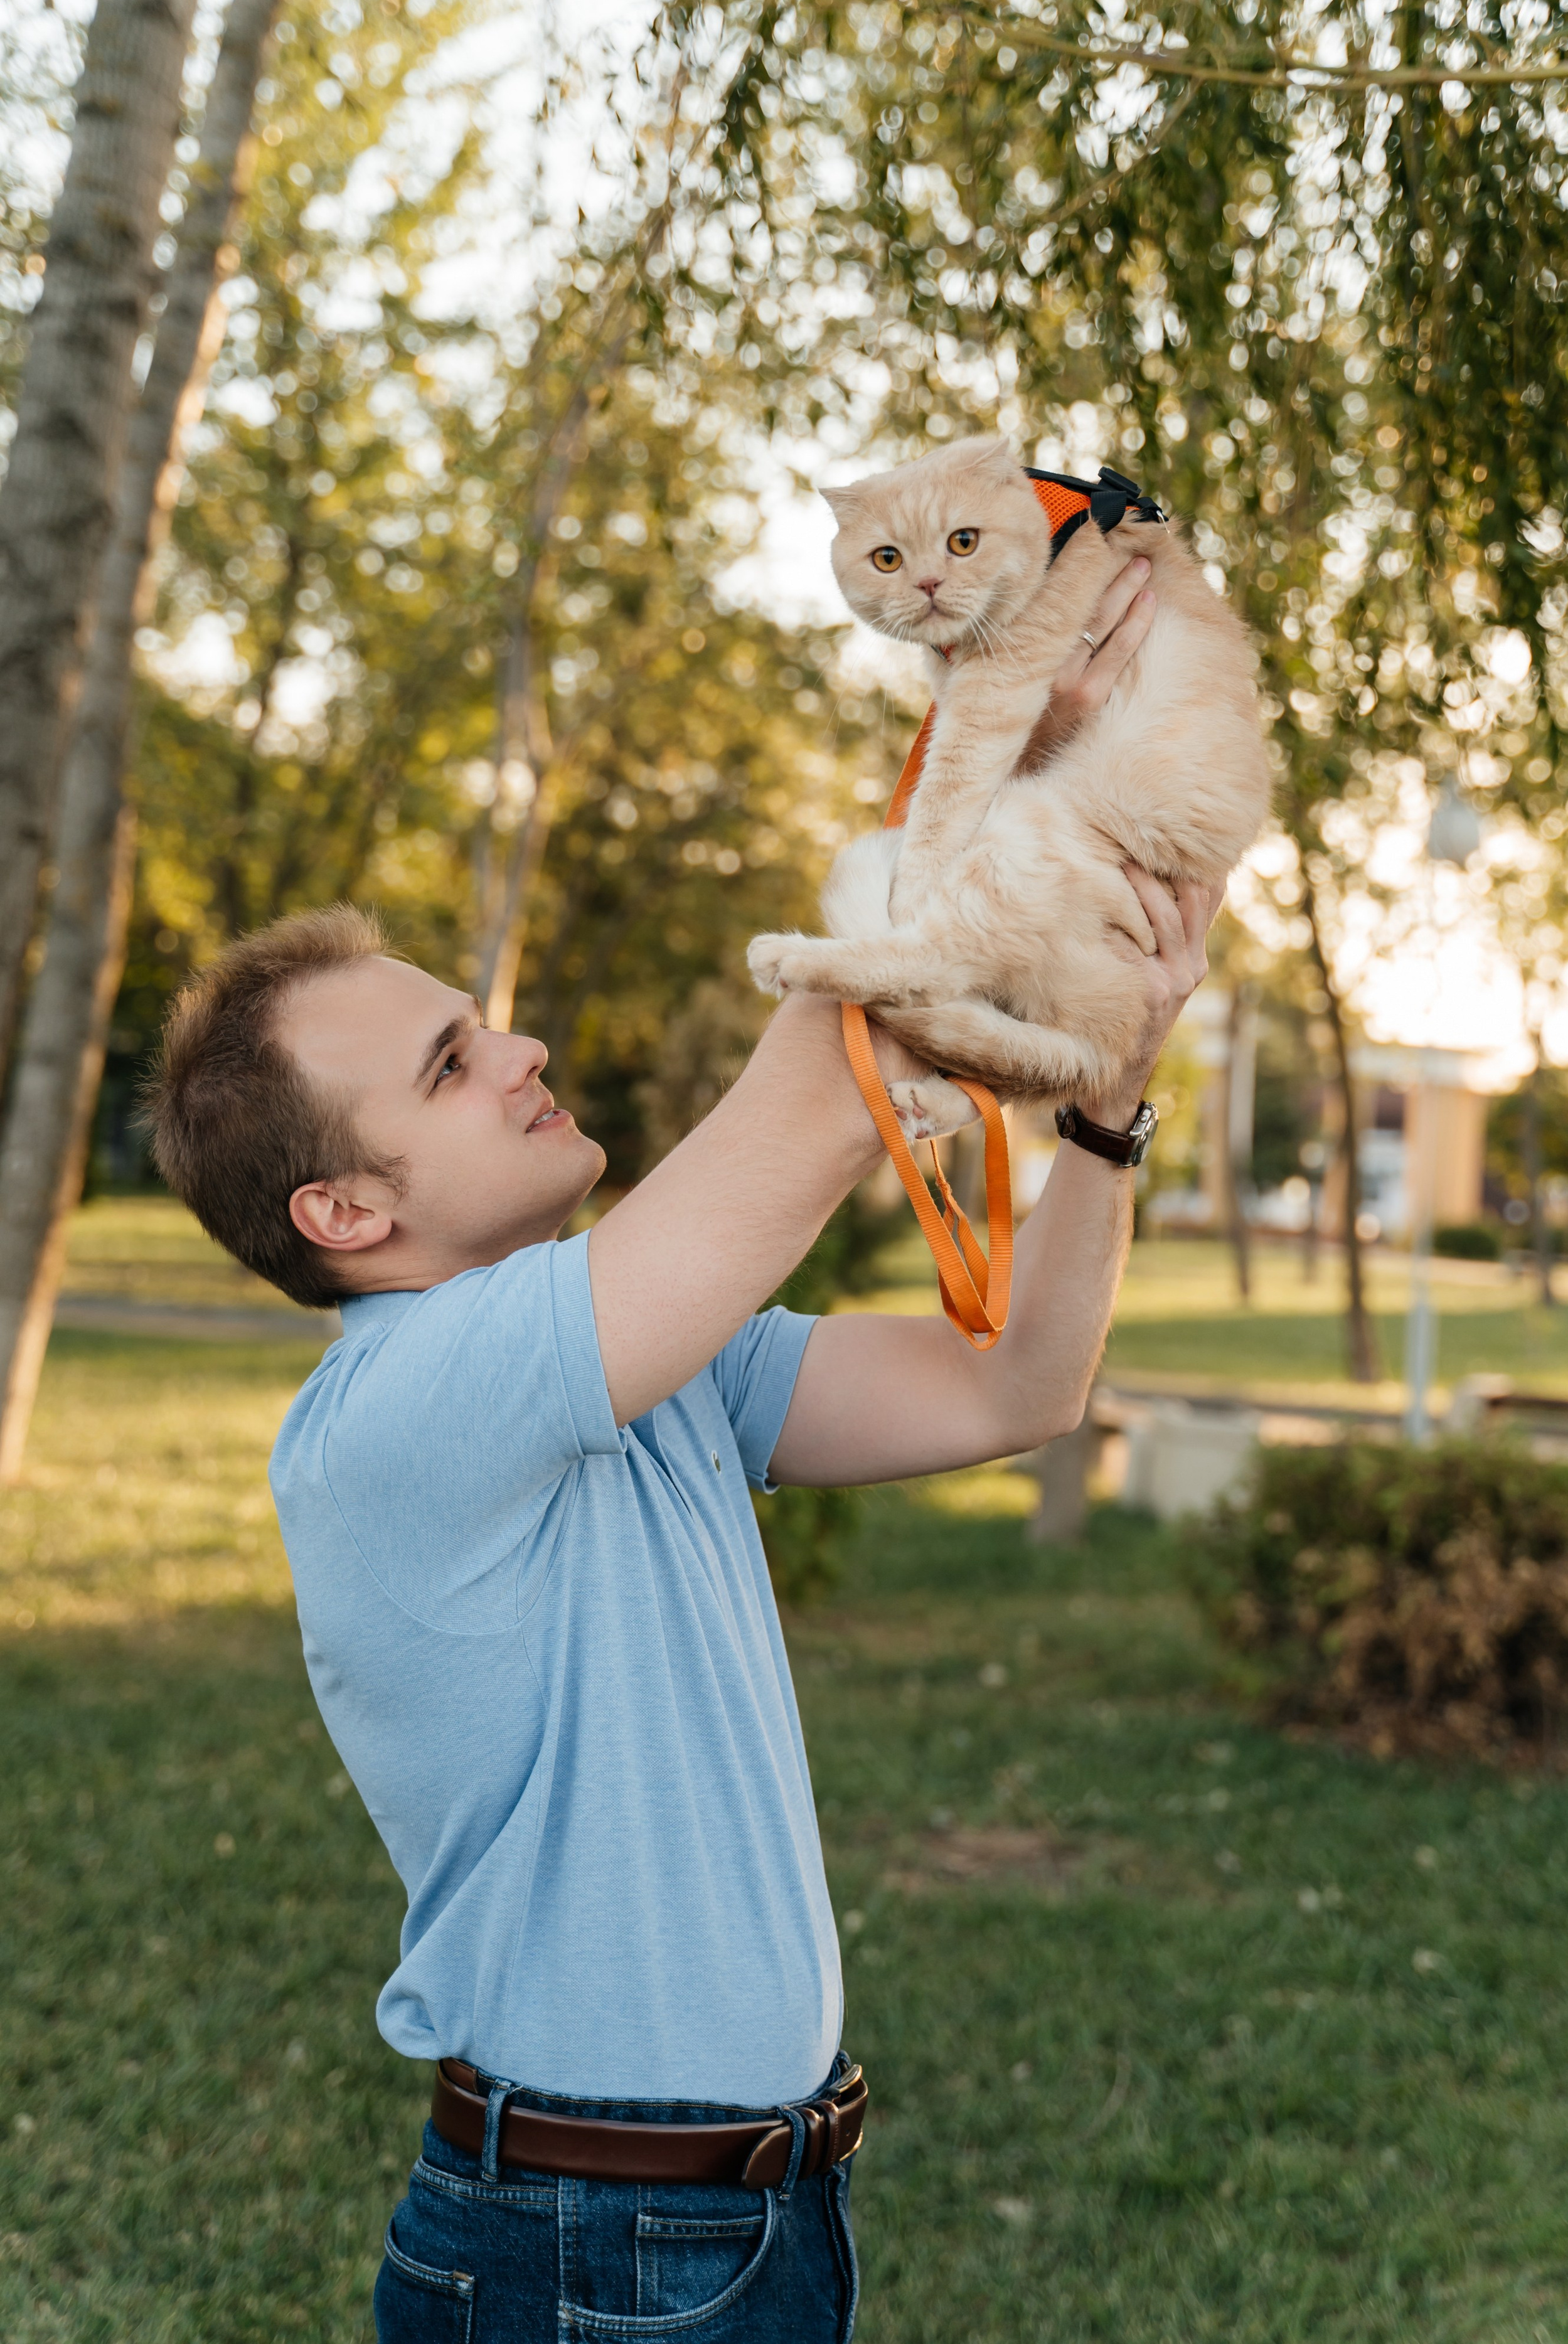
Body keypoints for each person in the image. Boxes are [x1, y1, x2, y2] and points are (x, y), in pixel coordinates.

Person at [146, 554, 1217, 2342]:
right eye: (450, 1064)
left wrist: (1106, 1115)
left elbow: (1008, 1392)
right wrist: (1012, 715)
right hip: (592, 2250)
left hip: (738, 2219)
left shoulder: (644, 1368)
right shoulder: (406, 1410)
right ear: (343, 1211)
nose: (522, 1050)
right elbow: (829, 1078)